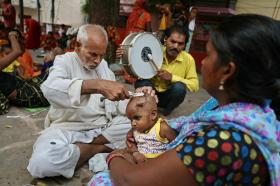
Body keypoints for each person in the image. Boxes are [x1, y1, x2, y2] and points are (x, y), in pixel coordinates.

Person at [92, 14, 280, 186]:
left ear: (227, 71)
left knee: (102, 180)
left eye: (208, 55)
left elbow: (129, 181)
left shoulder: (224, 141)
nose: (203, 63)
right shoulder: (234, 110)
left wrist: (116, 156)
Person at [27, 24, 155, 178]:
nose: (97, 61)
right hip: (67, 129)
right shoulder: (64, 61)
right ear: (77, 46)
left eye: (101, 55)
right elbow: (49, 88)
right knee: (42, 163)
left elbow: (116, 104)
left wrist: (137, 98)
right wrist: (95, 85)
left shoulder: (103, 66)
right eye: (93, 54)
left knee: (144, 126)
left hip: (102, 127)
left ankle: (85, 149)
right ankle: (98, 149)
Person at [118, 25, 199, 116]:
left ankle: (165, 112)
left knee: (179, 88)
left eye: (180, 44)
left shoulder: (188, 59)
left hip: (167, 97)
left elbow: (195, 85)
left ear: (184, 45)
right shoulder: (154, 50)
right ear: (165, 39)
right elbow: (135, 64)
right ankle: (147, 108)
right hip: (150, 92)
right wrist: (124, 54)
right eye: (172, 41)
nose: (176, 46)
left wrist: (172, 77)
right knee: (142, 81)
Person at [0, 29, 49, 115]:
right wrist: (12, 35)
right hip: (28, 94)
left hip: (24, 86)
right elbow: (17, 51)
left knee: (52, 72)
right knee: (56, 80)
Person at [124, 94, 176, 163]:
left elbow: (176, 143)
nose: (133, 123)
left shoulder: (162, 128)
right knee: (123, 155)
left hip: (159, 162)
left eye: (137, 118)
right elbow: (130, 143)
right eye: (130, 120)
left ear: (153, 115)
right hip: (139, 160)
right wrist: (135, 153)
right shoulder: (135, 129)